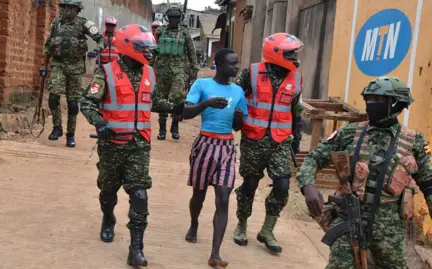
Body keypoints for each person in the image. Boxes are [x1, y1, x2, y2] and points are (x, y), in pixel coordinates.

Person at [297, 76, 432, 268]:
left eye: (377, 100)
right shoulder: (350, 133)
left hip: (390, 230)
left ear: (395, 104)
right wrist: (307, 185)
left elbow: (429, 184)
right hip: (349, 219)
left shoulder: (414, 141)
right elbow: (314, 158)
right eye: (368, 99)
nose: (370, 104)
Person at [79, 24, 184, 267]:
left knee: (139, 193)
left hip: (140, 145)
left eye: (149, 48)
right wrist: (99, 121)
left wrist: (175, 107)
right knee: (108, 190)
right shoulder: (104, 73)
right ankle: (108, 218)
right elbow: (87, 102)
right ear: (128, 47)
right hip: (112, 144)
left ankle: (136, 247)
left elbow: (154, 101)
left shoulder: (150, 73)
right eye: (143, 48)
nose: (148, 52)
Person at [233, 33, 304, 253]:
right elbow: (235, 96)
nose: (294, 57)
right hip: (254, 139)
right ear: (276, 53)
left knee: (282, 186)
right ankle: (242, 224)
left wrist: (296, 140)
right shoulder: (252, 73)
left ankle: (267, 230)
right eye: (290, 53)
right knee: (250, 184)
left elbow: (296, 111)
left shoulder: (297, 78)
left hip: (281, 140)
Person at [182, 48, 247, 268]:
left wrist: (238, 119)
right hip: (205, 144)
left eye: (237, 63)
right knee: (198, 195)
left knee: (223, 199)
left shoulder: (238, 91)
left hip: (227, 146)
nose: (236, 67)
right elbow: (186, 112)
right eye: (232, 63)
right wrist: (206, 104)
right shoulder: (201, 85)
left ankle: (215, 253)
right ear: (219, 65)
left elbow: (238, 127)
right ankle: (194, 223)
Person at [40, 0, 105, 147]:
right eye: (64, 7)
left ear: (77, 10)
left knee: (73, 102)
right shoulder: (56, 22)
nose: (66, 11)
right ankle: (57, 127)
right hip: (58, 64)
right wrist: (44, 65)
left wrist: (98, 49)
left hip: (75, 67)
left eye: (70, 8)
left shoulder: (84, 23)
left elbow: (101, 39)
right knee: (53, 96)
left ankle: (71, 134)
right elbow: (49, 45)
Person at [152, 7, 199, 141]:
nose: (173, 20)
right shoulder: (160, 31)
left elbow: (191, 51)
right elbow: (154, 49)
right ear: (167, 18)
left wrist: (194, 69)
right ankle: (162, 128)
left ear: (180, 19)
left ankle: (175, 125)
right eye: (171, 17)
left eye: (176, 18)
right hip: (162, 69)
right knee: (161, 98)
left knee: (177, 98)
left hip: (179, 70)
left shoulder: (184, 33)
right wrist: (148, 64)